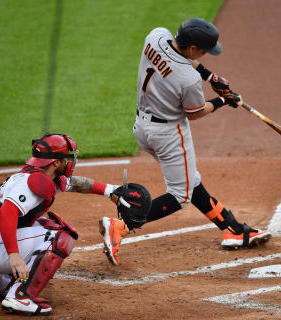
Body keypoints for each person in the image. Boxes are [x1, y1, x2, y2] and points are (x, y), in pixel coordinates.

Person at [99, 18, 271, 266]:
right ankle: (121, 226)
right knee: (180, 195)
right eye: (203, 51)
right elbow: (195, 112)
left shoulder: (155, 36)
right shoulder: (187, 80)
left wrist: (209, 76)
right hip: (169, 135)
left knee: (190, 180)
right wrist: (223, 101)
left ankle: (233, 229)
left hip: (142, 128)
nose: (204, 54)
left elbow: (178, 58)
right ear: (192, 49)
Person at [0, 134, 119, 315]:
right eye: (67, 158)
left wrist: (112, 191)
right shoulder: (35, 182)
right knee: (59, 236)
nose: (71, 161)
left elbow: (75, 184)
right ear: (56, 163)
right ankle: (20, 296)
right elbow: (8, 212)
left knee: (41, 225)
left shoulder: (35, 175)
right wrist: (14, 256)